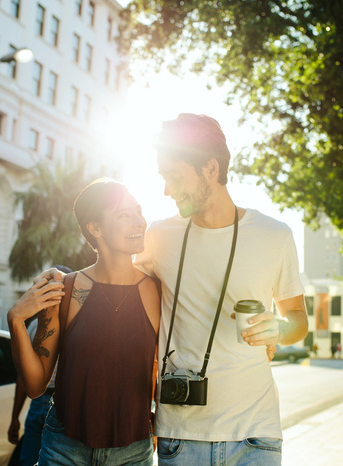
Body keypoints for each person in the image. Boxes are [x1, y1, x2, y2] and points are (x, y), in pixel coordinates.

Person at [37, 114, 308, 465]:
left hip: (256, 435)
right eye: (163, 178)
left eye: (174, 176)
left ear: (211, 168)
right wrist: (57, 277)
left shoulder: (275, 235)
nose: (166, 190)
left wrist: (280, 329)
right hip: (181, 438)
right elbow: (111, 276)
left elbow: (298, 320)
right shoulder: (158, 236)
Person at [7, 179, 160, 465]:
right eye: (124, 215)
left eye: (138, 211)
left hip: (133, 453)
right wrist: (15, 320)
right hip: (64, 450)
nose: (139, 222)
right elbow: (36, 386)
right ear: (95, 228)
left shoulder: (156, 291)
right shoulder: (64, 290)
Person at [7, 267, 70, 466]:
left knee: (30, 458)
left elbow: (22, 378)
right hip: (60, 402)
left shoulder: (35, 324)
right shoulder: (75, 321)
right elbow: (24, 377)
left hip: (44, 401)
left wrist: (15, 417)